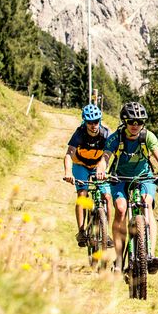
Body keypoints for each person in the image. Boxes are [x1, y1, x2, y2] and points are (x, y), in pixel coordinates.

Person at [95, 101, 158, 274]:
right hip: (120, 177)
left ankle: (151, 255)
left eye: (139, 122)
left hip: (144, 176)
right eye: (131, 121)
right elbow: (105, 159)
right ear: (125, 121)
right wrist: (101, 171)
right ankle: (118, 259)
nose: (135, 125)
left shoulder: (148, 137)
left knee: (147, 204)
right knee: (121, 209)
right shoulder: (116, 137)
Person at [62, 103, 112, 247]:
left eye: (96, 121)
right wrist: (67, 172)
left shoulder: (105, 134)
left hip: (98, 166)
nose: (93, 125)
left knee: (107, 197)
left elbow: (112, 152)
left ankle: (105, 232)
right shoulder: (79, 134)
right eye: (90, 122)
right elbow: (68, 155)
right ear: (85, 122)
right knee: (82, 194)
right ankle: (82, 231)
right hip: (81, 166)